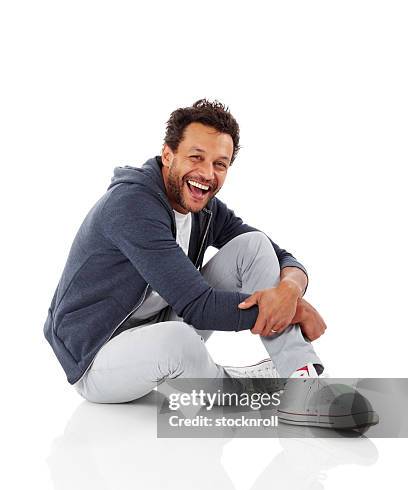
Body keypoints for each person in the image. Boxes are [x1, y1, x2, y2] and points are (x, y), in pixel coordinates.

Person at [44, 99, 378, 430]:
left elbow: (278, 256)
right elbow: (199, 308)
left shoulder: (204, 206)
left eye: (220, 163)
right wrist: (290, 311)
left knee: (253, 246)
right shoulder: (131, 207)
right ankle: (241, 388)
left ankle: (302, 380)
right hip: (97, 359)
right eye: (196, 157)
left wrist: (290, 291)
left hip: (156, 323)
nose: (207, 174)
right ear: (168, 155)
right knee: (177, 340)